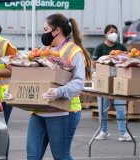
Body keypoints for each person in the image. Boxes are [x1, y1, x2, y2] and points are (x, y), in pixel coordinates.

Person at [25, 13, 92, 160]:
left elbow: (79, 82)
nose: (43, 33)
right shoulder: (43, 50)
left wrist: (59, 91)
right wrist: (17, 93)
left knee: (61, 156)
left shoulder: (74, 51)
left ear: (56, 30)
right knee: (32, 156)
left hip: (64, 111)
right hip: (39, 110)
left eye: (45, 29)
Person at [92, 24, 134, 141]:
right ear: (105, 34)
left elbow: (127, 62)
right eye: (111, 32)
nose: (113, 34)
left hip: (118, 80)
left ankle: (123, 133)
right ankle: (103, 131)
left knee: (120, 108)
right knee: (103, 108)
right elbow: (94, 64)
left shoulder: (121, 47)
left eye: (115, 32)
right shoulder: (100, 48)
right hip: (104, 81)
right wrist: (107, 60)